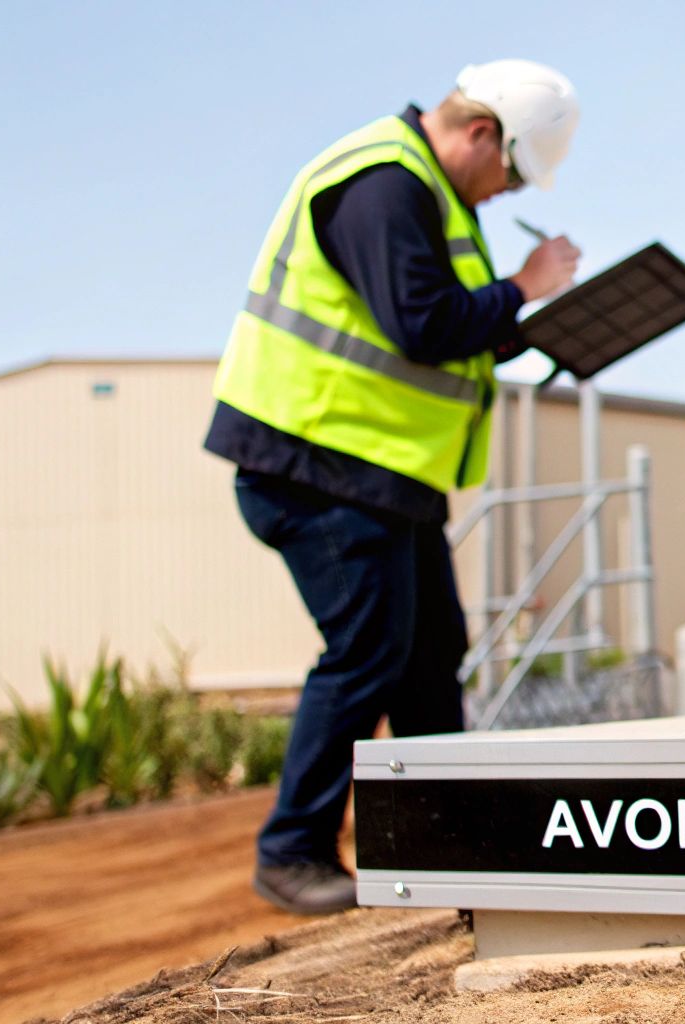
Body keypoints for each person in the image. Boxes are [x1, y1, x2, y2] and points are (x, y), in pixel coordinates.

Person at [204, 59, 583, 915]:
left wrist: (536, 317)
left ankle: (447, 844)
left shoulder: (431, 195)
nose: (507, 192)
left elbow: (451, 325)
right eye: (514, 173)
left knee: (428, 657)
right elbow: (419, 325)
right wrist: (524, 286)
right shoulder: (384, 182)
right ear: (481, 134)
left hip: (381, 474)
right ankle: (292, 849)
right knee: (369, 650)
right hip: (316, 463)